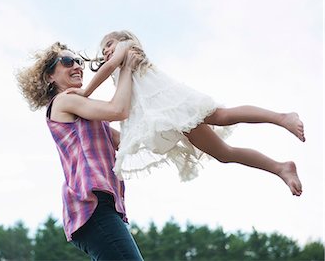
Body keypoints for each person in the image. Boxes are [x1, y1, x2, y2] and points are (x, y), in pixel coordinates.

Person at [68, 30, 305, 197]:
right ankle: (280, 168)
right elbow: (123, 104)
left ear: (123, 41)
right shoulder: (121, 73)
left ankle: (283, 117)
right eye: (104, 49)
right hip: (169, 117)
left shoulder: (125, 48)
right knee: (224, 153)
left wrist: (86, 92)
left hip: (174, 104)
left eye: (108, 45)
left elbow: (109, 66)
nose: (106, 51)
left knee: (222, 116)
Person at [16, 42, 144, 260]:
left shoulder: (92, 118)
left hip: (103, 207)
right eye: (67, 61)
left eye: (79, 61)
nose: (76, 65)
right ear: (50, 77)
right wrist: (126, 66)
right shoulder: (63, 101)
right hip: (92, 206)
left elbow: (129, 141)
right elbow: (118, 110)